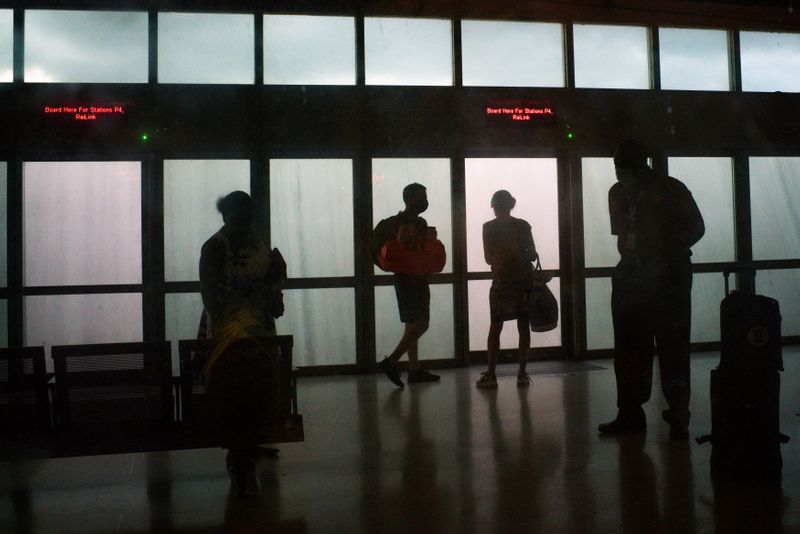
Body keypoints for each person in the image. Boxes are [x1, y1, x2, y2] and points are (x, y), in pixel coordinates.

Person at [598, 140, 705, 439]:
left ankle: (676, 413)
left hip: (667, 276)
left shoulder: (669, 189)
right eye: (617, 165)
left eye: (622, 164)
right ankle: (631, 412)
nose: (618, 170)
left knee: (671, 345)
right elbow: (624, 235)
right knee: (630, 348)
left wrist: (662, 254)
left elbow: (696, 228)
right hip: (634, 276)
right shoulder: (620, 192)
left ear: (638, 163)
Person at [199, 191, 286, 496]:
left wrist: (273, 290)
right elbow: (212, 298)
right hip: (232, 333)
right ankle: (240, 453)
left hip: (253, 329)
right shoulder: (217, 247)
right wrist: (268, 289)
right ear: (227, 216)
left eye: (247, 215)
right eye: (240, 215)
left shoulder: (239, 244)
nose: (244, 221)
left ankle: (245, 447)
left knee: (253, 389)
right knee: (239, 390)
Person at [373, 183, 441, 388]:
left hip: (409, 278)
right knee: (422, 323)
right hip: (411, 280)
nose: (425, 200)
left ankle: (414, 369)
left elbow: (374, 249)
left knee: (412, 323)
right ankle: (391, 361)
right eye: (422, 196)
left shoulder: (395, 223)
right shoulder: (409, 223)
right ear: (411, 199)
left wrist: (389, 266)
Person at [476, 190, 538, 389]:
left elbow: (488, 258)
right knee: (523, 327)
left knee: (495, 328)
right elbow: (532, 255)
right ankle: (521, 374)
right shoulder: (523, 225)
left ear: (494, 206)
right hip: (523, 283)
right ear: (511, 205)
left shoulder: (488, 228)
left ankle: (491, 375)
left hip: (501, 283)